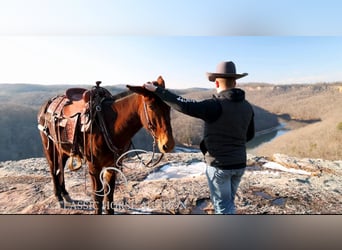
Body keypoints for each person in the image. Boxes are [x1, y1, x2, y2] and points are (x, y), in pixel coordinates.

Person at [144, 61, 255, 214]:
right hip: (239, 164)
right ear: (235, 82)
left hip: (219, 166)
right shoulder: (247, 106)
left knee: (222, 207)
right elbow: (249, 135)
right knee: (228, 202)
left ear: (216, 82)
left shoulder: (215, 105)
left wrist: (158, 91)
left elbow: (185, 105)